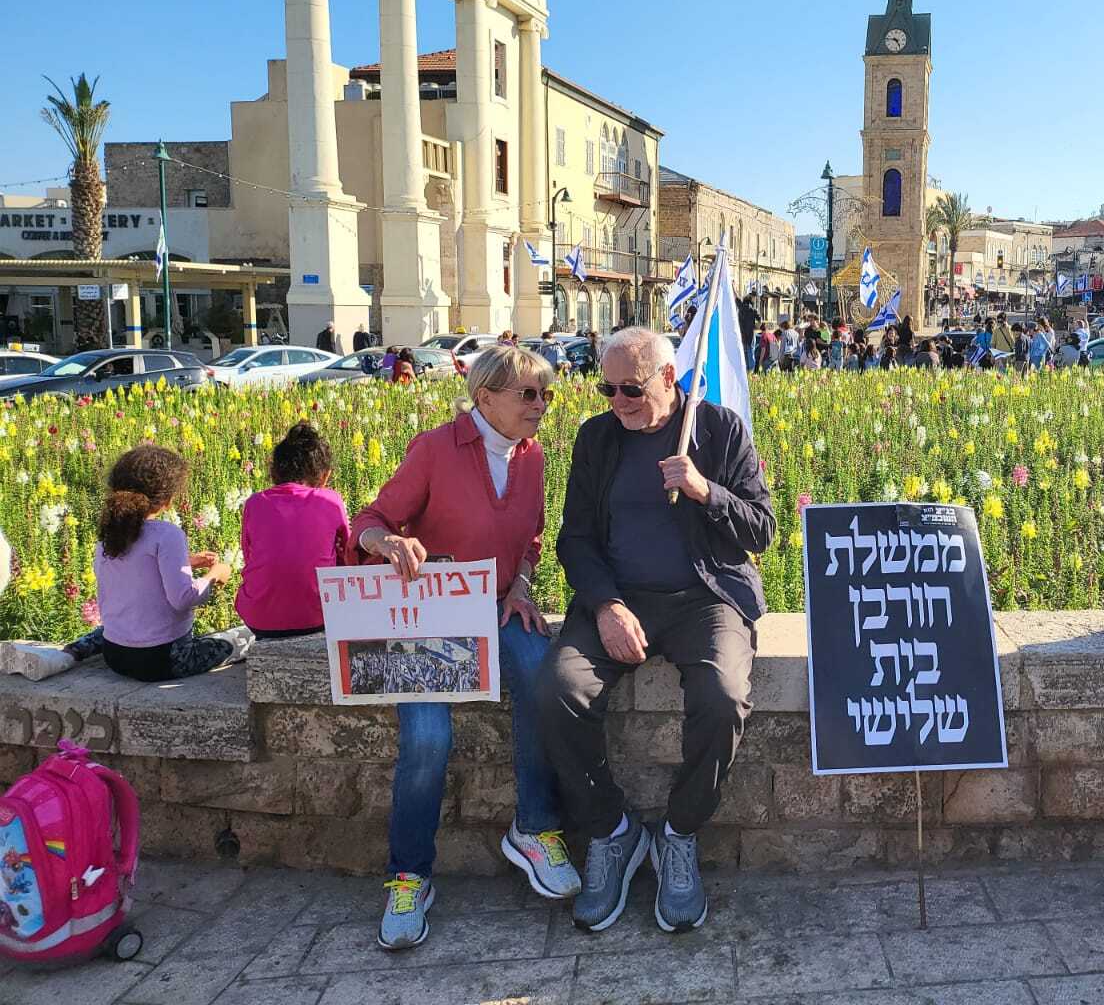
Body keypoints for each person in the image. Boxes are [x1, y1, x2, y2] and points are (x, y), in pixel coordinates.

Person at [537, 327, 774, 934]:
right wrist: (608, 606)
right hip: (620, 598)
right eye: (607, 388)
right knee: (559, 689)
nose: (617, 401)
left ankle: (680, 833)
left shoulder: (719, 430)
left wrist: (703, 490)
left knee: (722, 699)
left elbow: (761, 531)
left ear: (669, 378)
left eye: (631, 389)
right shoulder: (597, 438)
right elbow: (576, 539)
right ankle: (612, 832)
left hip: (705, 597)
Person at [350, 345, 578, 949]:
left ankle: (533, 828)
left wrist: (522, 586)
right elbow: (369, 519)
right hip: (431, 613)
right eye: (528, 394)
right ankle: (410, 875)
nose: (541, 406)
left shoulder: (533, 458)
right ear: (484, 396)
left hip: (496, 604)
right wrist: (387, 544)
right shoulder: (434, 449)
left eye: (546, 395)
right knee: (428, 737)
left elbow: (530, 536)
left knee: (542, 676)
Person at [60, 445, 246, 683]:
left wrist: (185, 562)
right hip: (163, 660)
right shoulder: (167, 535)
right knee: (241, 638)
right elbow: (183, 599)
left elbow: (132, 573)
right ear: (167, 500)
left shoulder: (110, 533)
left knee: (105, 631)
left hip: (116, 656)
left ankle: (73, 652)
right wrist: (214, 574)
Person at [235, 422, 349, 639]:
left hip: (260, 619)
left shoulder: (255, 503)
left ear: (274, 472)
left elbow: (250, 556)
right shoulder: (331, 501)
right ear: (325, 475)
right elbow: (347, 555)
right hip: (319, 618)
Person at [737, 294, 759, 371]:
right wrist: (756, 326)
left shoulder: (741, 307)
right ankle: (751, 370)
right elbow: (760, 320)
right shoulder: (753, 310)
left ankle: (745, 369)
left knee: (744, 352)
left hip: (742, 335)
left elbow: (736, 297)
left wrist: (733, 286)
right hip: (751, 335)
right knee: (751, 352)